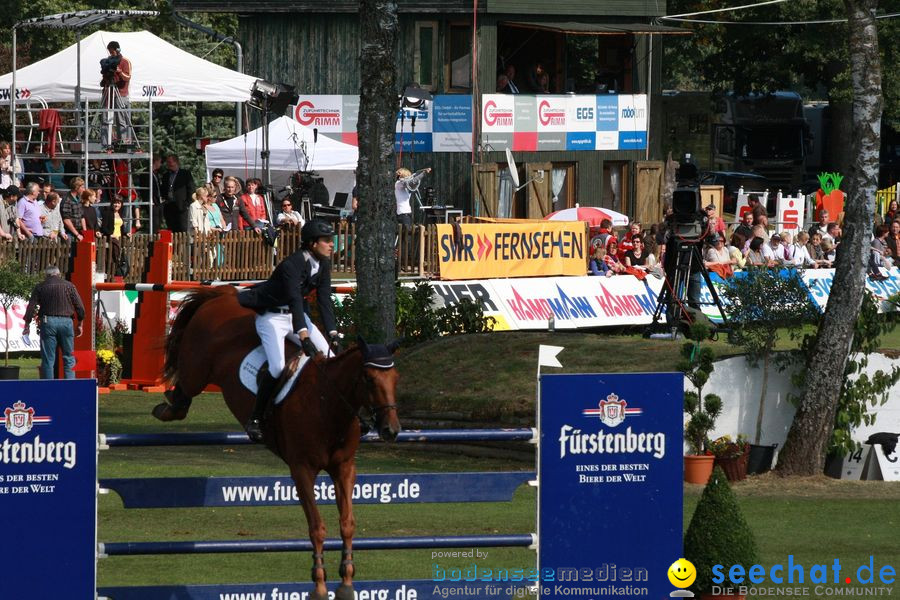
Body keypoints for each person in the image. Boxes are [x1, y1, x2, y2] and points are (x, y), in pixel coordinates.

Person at [237, 219, 340, 442]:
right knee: (277, 367)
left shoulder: (323, 264)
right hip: (272, 317)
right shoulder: (291, 265)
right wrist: (303, 336)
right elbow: (294, 298)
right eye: (326, 241)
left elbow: (324, 301)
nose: (331, 245)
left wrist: (333, 334)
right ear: (313, 243)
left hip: (296, 315)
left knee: (330, 358)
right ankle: (256, 418)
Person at [23, 265, 86, 380]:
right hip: (67, 322)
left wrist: (27, 325)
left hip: (48, 322)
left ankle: (49, 390)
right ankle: (70, 388)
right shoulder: (69, 286)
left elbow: (31, 307)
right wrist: (80, 323)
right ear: (59, 274)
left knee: (48, 359)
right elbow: (80, 307)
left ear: (46, 275)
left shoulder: (40, 287)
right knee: (69, 357)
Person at [100, 41, 133, 148]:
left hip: (121, 94)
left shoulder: (125, 61)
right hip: (108, 93)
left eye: (112, 52)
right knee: (105, 119)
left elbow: (128, 77)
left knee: (121, 120)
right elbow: (105, 77)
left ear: (117, 50)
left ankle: (123, 143)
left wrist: (119, 72)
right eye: (109, 52)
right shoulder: (109, 61)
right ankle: (105, 144)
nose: (111, 54)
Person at [159, 154, 196, 233]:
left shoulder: (185, 174)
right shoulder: (166, 175)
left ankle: (184, 244)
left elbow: (191, 189)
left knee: (182, 228)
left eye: (170, 162)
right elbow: (163, 189)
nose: (168, 164)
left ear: (176, 162)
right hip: (169, 206)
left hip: (181, 207)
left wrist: (187, 203)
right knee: (171, 228)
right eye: (167, 162)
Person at [61, 177, 87, 244]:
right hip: (70, 233)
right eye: (82, 187)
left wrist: (85, 232)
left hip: (80, 233)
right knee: (69, 253)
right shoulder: (67, 199)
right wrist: (77, 234)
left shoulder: (79, 198)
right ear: (76, 187)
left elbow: (82, 216)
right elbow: (66, 219)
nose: (84, 190)